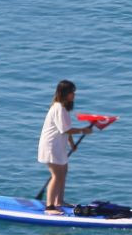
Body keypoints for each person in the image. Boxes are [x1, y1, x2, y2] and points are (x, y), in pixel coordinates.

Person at [37, 80, 93, 212]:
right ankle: (49, 206)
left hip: (59, 146)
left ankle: (59, 201)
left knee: (63, 172)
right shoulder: (58, 108)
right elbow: (65, 130)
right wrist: (82, 130)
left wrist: (72, 144)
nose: (74, 94)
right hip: (51, 146)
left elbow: (66, 129)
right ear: (64, 93)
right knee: (56, 175)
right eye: (71, 92)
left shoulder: (64, 109)